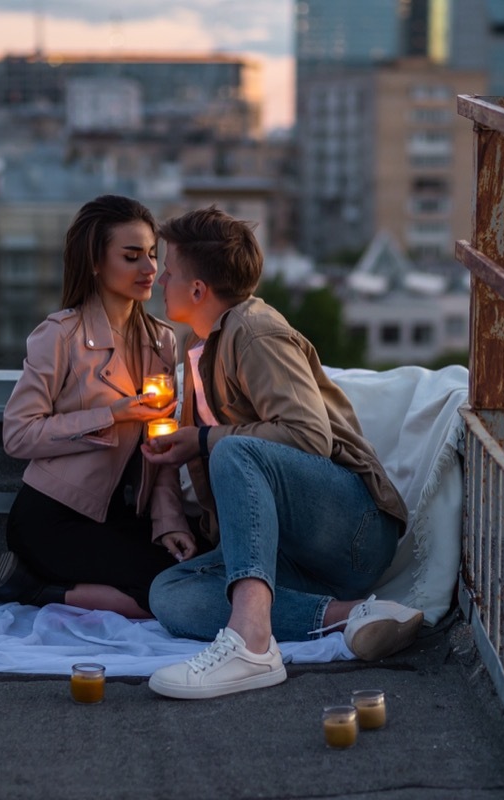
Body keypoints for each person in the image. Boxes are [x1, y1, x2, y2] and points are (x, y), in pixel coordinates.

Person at [140, 206, 424, 699]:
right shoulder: (199, 344)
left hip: (353, 531)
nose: (161, 277)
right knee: (170, 594)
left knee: (235, 452)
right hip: (297, 551)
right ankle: (353, 616)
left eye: (170, 269)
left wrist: (206, 441)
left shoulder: (254, 330)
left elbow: (308, 435)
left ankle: (251, 644)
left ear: (197, 290)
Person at [0, 195, 197, 619]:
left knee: (198, 561)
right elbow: (18, 434)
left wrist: (170, 523)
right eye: (131, 257)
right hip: (53, 519)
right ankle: (35, 589)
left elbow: (160, 450)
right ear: (94, 262)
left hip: (119, 514)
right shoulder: (60, 336)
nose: (149, 269)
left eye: (151, 255)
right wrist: (112, 414)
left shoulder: (161, 341)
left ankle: (46, 584)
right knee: (169, 589)